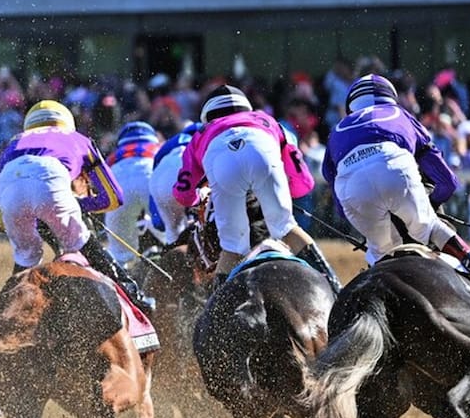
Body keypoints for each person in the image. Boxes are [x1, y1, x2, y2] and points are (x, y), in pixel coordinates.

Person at [324, 73, 470, 288]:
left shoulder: (336, 131)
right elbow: (448, 182)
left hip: (352, 190)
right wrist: (430, 205)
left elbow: (341, 209)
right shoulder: (401, 115)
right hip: (396, 171)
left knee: (381, 252)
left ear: (351, 107)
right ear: (390, 98)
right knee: (432, 229)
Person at [173, 85, 340, 293]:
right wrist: (281, 192)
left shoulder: (200, 134)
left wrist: (199, 196)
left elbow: (183, 195)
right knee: (286, 227)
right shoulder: (269, 121)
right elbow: (303, 184)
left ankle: (217, 308)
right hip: (262, 148)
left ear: (208, 116)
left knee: (233, 246)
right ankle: (335, 288)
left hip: (221, 161)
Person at [0, 99, 153, 310]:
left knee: (25, 259)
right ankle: (135, 296)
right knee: (81, 242)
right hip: (51, 178)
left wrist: (32, 220)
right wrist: (79, 204)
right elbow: (114, 197)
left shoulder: (13, 145)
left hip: (9, 182)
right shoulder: (78, 139)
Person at [104, 121, 159, 264]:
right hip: (149, 175)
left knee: (119, 251)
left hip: (119, 182)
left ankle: (121, 268)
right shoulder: (157, 148)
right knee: (169, 232)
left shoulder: (115, 155)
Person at [149, 121, 202, 246]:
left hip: (158, 177)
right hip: (183, 168)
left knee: (172, 230)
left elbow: (155, 166)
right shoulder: (203, 136)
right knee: (201, 222)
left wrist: (157, 219)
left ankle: (174, 254)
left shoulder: (172, 141)